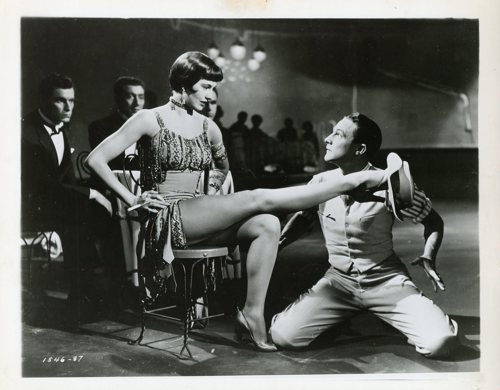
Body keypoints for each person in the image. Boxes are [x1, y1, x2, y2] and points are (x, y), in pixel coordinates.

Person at [86, 52, 397, 351]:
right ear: (184, 82)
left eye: (214, 88)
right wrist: (133, 198)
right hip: (166, 218)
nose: (210, 96)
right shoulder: (148, 119)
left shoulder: (209, 127)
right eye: (206, 86)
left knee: (267, 223)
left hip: (199, 215)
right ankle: (360, 179)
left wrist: (214, 199)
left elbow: (223, 169)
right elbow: (95, 159)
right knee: (259, 199)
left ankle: (251, 313)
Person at [270, 112, 458, 358]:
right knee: (282, 336)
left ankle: (398, 313)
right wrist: (278, 243)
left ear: (359, 149)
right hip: (338, 283)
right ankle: (337, 315)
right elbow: (304, 216)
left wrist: (428, 255)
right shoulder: (321, 182)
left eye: (337, 134)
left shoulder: (392, 184)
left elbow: (433, 221)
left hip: (385, 281)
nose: (327, 139)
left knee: (440, 342)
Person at [21, 73, 113, 322]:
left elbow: (67, 178)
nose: (68, 107)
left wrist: (90, 197)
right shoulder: (26, 132)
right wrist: (91, 193)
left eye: (71, 101)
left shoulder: (62, 126)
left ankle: (98, 288)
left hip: (57, 202)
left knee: (101, 212)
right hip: (29, 206)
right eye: (60, 101)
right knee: (78, 220)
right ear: (42, 100)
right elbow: (44, 184)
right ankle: (86, 292)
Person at [88, 76, 146, 170]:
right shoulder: (99, 127)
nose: (137, 103)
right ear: (117, 99)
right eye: (130, 96)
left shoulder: (147, 127)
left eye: (141, 97)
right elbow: (109, 164)